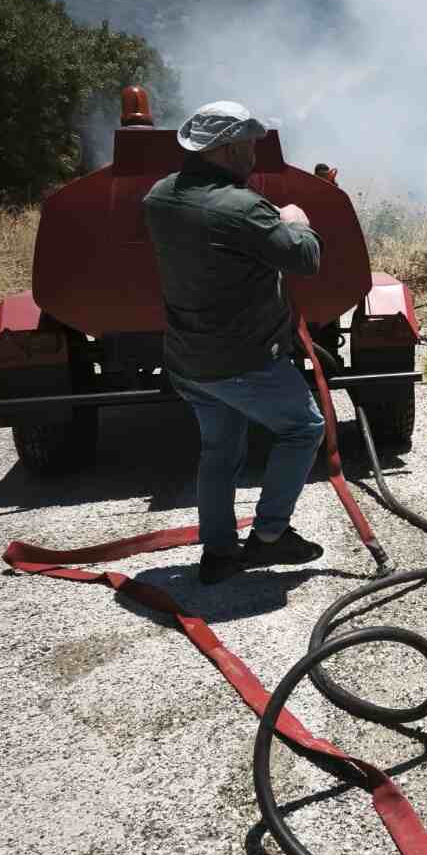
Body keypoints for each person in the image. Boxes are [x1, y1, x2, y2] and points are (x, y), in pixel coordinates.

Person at [142, 100, 326, 586]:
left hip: (187, 359)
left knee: (219, 452)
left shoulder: (159, 196)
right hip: (241, 360)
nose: (254, 152)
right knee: (304, 428)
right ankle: (268, 538)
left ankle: (219, 554)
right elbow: (304, 259)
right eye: (248, 144)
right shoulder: (242, 208)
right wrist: (295, 220)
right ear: (226, 149)